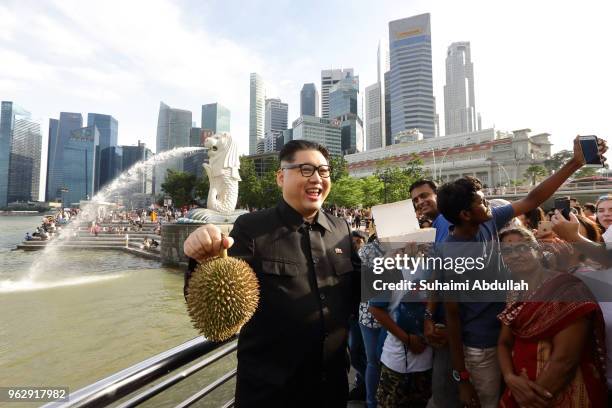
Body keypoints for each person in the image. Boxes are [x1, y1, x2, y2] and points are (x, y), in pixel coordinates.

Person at [183, 140, 360, 408]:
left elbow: (359, 292)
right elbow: (212, 305)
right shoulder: (251, 228)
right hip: (271, 393)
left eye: (324, 171)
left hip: (331, 387)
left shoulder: (341, 229)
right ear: (280, 177)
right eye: (306, 169)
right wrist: (203, 258)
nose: (317, 178)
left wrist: (399, 261)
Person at [437, 135, 607, 408]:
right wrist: (463, 378)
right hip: (482, 349)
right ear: (466, 215)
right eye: (482, 201)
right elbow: (453, 318)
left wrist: (575, 163)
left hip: (512, 336)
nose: (489, 203)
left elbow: (533, 198)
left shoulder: (488, 221)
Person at [497, 227, 607, 407]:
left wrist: (528, 400)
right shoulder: (514, 292)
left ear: (538, 249)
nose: (515, 255)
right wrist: (509, 377)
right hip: (522, 386)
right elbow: (504, 342)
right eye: (507, 251)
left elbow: (565, 360)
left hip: (561, 390)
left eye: (523, 248)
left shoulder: (567, 290)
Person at [408, 179, 456, 408]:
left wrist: (429, 317)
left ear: (439, 194)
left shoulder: (447, 222)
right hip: (447, 320)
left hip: (451, 321)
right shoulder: (439, 226)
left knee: (444, 390)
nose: (420, 202)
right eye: (415, 200)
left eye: (425, 195)